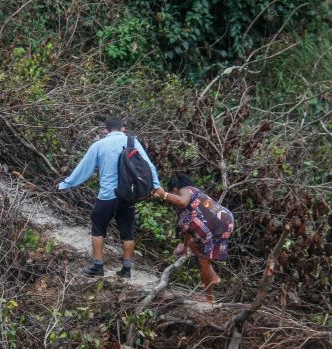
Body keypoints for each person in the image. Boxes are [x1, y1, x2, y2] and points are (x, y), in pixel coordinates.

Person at [57, 117, 160, 279]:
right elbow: (149, 166)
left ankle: (98, 267)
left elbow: (84, 169)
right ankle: (126, 270)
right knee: (128, 232)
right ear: (123, 129)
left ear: (105, 130)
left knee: (98, 228)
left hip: (107, 196)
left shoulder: (99, 145)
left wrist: (66, 184)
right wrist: (156, 185)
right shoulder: (132, 142)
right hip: (128, 195)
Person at [153, 174, 234, 302]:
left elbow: (182, 200)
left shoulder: (186, 190)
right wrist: (185, 247)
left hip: (216, 226)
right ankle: (212, 284)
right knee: (196, 249)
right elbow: (188, 233)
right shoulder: (186, 208)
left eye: (171, 193)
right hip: (222, 222)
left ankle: (210, 296)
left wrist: (164, 194)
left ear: (174, 190)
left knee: (203, 261)